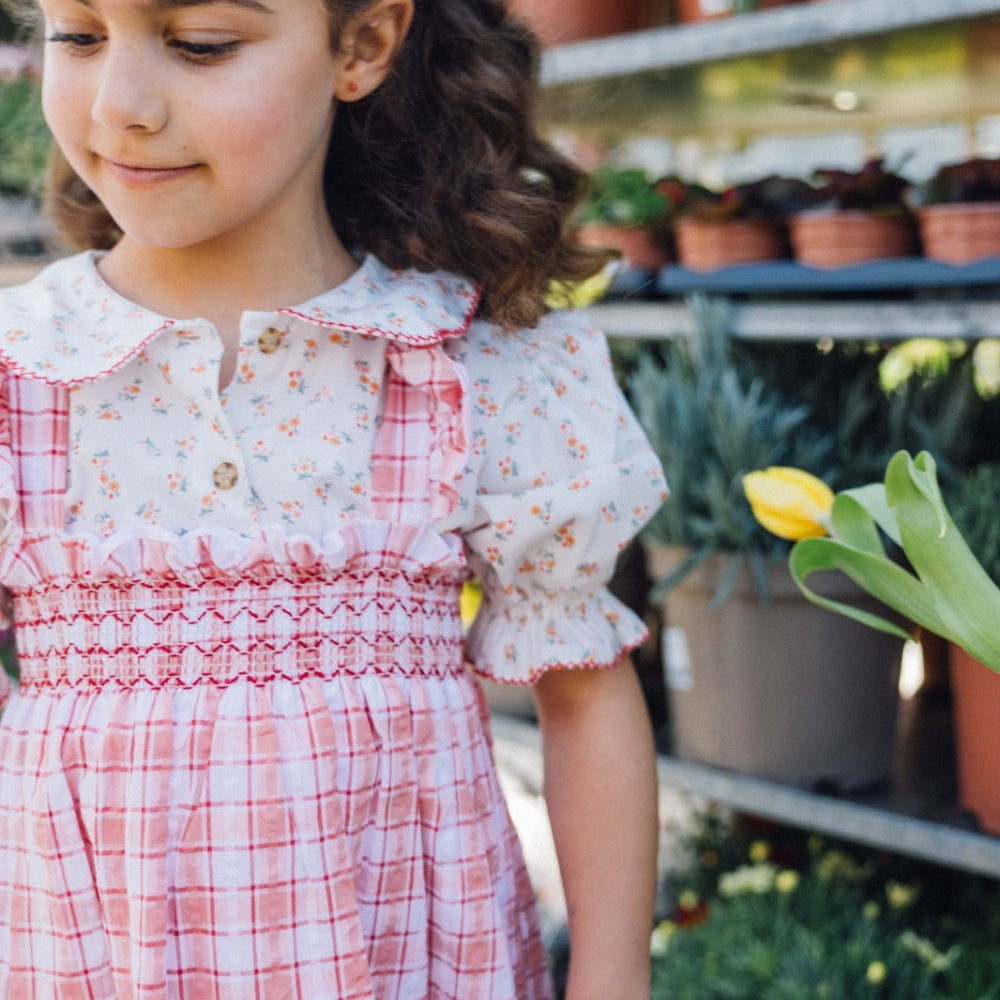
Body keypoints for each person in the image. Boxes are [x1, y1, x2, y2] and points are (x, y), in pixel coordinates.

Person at [0, 0, 668, 996]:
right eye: (80, 35)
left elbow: (584, 699)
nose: (120, 104)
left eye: (200, 45)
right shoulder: (20, 372)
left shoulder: (469, 364)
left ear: (360, 44)